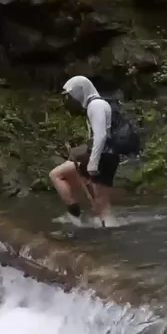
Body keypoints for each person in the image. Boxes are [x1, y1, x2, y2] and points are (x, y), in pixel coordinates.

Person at [50, 75, 120, 225]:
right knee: (59, 175)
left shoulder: (96, 105)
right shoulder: (97, 104)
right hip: (105, 154)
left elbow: (101, 136)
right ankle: (76, 214)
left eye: (72, 94)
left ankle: (108, 230)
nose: (72, 98)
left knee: (102, 205)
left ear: (80, 91)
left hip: (103, 156)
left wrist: (93, 163)